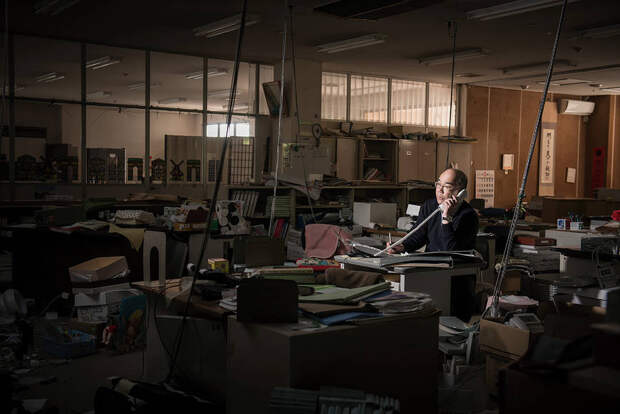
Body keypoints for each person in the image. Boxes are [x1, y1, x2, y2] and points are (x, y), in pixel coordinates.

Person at [388, 168, 479, 253]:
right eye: (438, 184)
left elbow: (451, 251)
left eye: (447, 186)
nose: (440, 190)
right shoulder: (429, 206)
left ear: (461, 193)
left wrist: (447, 217)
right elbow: (418, 236)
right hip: (430, 261)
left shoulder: (469, 216)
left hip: (455, 263)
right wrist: (402, 246)